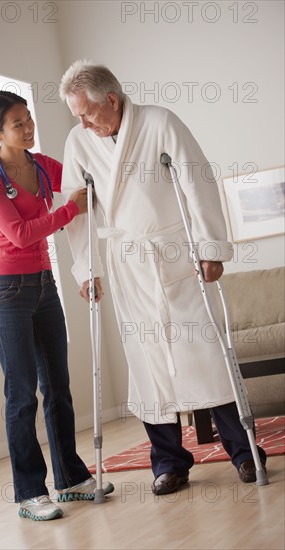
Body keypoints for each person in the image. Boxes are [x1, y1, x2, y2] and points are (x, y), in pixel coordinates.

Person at [59, 61, 267, 495]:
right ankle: (169, 462)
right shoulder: (79, 142)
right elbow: (78, 209)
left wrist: (211, 246)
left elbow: (197, 181)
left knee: (209, 355)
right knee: (148, 363)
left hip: (175, 258)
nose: (81, 123)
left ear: (111, 99)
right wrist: (87, 269)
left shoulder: (159, 123)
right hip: (128, 266)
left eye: (87, 113)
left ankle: (246, 452)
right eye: (76, 115)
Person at [0, 90, 114, 521]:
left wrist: (100, 134)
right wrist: (68, 210)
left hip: (43, 285)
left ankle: (70, 479)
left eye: (30, 119)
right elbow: (20, 234)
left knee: (58, 386)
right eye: (19, 124)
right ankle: (30, 494)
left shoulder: (41, 164)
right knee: (21, 396)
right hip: (7, 292)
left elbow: (81, 177)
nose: (29, 128)